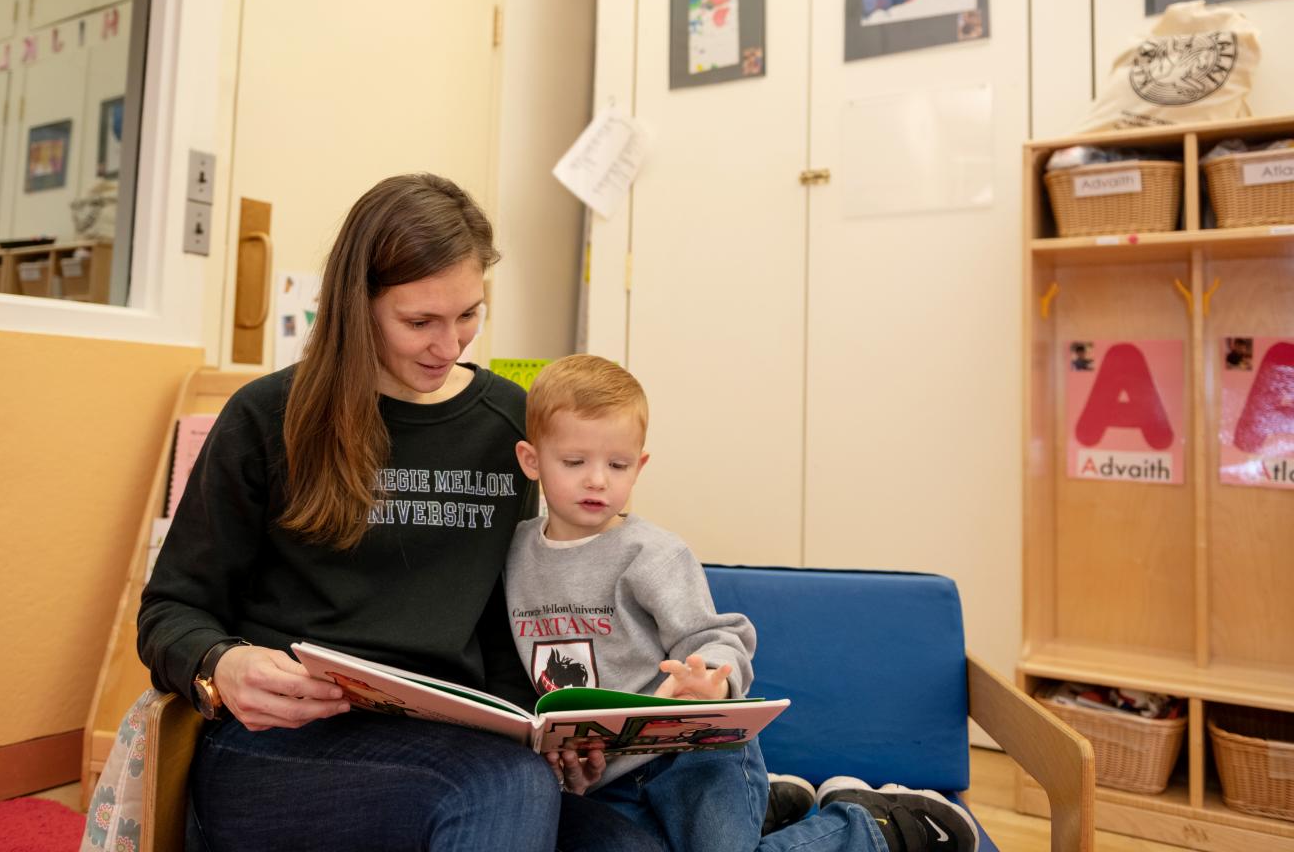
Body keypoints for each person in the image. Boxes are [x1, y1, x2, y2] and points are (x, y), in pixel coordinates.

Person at [137, 175, 663, 851]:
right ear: (360, 308)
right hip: (279, 752)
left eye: (469, 314)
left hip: (459, 741)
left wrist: (552, 728)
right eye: (420, 323)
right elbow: (168, 612)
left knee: (629, 844)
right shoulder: (267, 417)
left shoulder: (511, 425)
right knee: (503, 789)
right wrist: (221, 664)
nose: (451, 346)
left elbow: (507, 617)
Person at [506, 354, 981, 852]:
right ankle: (767, 808)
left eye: (617, 464)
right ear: (532, 460)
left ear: (640, 465)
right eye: (575, 462)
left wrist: (712, 677)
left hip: (695, 755)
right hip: (606, 782)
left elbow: (719, 637)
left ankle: (874, 827)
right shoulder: (514, 556)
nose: (598, 480)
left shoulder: (652, 554)